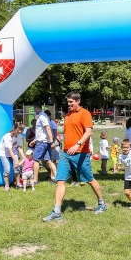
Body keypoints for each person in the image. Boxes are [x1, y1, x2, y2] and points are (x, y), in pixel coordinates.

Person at [42, 92, 107, 222]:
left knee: (89, 179)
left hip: (81, 153)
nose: (69, 104)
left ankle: (102, 203)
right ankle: (57, 211)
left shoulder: (85, 113)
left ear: (78, 101)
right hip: (66, 153)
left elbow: (88, 131)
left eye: (71, 102)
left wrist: (77, 144)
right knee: (60, 180)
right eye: (68, 102)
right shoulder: (67, 115)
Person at [32, 104, 56, 185]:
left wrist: (52, 142)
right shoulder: (42, 116)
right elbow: (42, 132)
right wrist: (35, 140)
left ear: (37, 108)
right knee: (48, 161)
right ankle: (56, 178)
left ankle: (35, 180)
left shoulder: (42, 117)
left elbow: (48, 129)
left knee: (36, 160)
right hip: (44, 142)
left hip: (42, 143)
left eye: (34, 109)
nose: (34, 111)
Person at [0, 125, 24, 191]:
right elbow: (10, 150)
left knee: (17, 168)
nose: (22, 131)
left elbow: (19, 147)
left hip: (14, 151)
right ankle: (7, 185)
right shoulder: (7, 136)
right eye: (21, 129)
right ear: (16, 129)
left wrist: (24, 157)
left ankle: (18, 183)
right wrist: (16, 161)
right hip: (4, 153)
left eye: (23, 129)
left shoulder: (19, 135)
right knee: (7, 169)